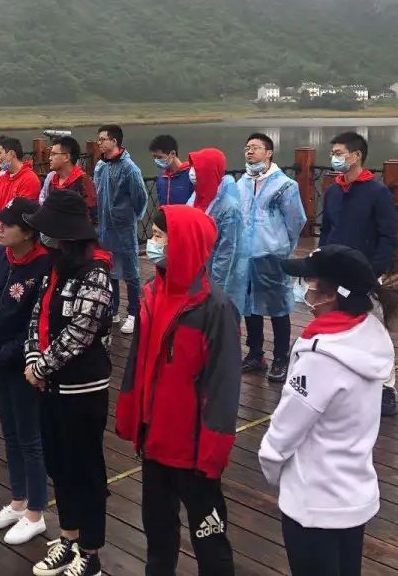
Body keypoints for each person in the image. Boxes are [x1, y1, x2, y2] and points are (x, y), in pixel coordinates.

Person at [116, 207, 241, 576]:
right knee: (158, 534)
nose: (153, 242)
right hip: (154, 439)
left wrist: (213, 451)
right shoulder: (152, 293)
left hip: (193, 448)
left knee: (210, 542)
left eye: (160, 236)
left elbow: (223, 386)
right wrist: (132, 417)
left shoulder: (215, 307)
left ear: (185, 244)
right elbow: (137, 362)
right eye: (154, 234)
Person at [260, 246, 398, 576]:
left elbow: (285, 430)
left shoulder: (321, 358)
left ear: (330, 295)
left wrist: (272, 466)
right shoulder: (369, 338)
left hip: (313, 504)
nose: (304, 291)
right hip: (352, 497)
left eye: (308, 283)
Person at [24, 189, 114, 576]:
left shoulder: (96, 272)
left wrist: (42, 367)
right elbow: (38, 316)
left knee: (85, 470)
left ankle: (90, 552)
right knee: (59, 465)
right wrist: (33, 358)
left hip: (82, 389)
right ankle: (69, 537)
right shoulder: (56, 267)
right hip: (51, 387)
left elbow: (82, 330)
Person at [0, 198, 51, 546]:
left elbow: (37, 322)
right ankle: (18, 500)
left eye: (8, 224)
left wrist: (1, 355)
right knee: (10, 431)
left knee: (30, 436)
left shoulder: (44, 266)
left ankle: (36, 510)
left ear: (29, 231)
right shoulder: (0, 256)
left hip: (23, 365)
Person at [320, 131, 398, 416]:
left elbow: (388, 237)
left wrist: (372, 272)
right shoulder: (333, 191)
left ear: (356, 156)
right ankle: (342, 381)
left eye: (339, 153)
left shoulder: (377, 192)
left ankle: (386, 387)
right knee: (337, 327)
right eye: (333, 153)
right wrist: (322, 260)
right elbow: (327, 230)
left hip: (366, 273)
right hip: (336, 271)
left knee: (375, 329)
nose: (334, 158)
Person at [236, 133, 307, 383]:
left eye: (256, 147)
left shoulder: (285, 185)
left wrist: (281, 246)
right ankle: (255, 353)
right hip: (246, 256)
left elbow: (296, 220)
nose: (250, 151)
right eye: (247, 147)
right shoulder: (242, 183)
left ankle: (281, 357)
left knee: (277, 307)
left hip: (272, 255)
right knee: (249, 306)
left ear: (269, 153)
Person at [93, 124, 149, 335]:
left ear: (114, 141)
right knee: (110, 269)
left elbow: (140, 197)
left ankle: (134, 312)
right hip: (104, 227)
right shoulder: (101, 166)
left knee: (131, 271)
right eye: (98, 139)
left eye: (102, 139)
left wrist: (129, 217)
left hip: (123, 228)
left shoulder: (129, 168)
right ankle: (114, 308)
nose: (99, 143)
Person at [189, 148, 244, 310]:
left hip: (212, 276)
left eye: (197, 168)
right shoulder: (196, 196)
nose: (192, 172)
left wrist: (215, 289)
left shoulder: (229, 208)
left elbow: (226, 253)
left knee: (215, 315)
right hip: (195, 272)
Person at [0, 137, 42, 243]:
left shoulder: (29, 179)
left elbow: (20, 215)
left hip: (17, 240)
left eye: (0, 153)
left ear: (11, 154)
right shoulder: (1, 179)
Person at [39, 136, 97, 223]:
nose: (50, 158)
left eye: (54, 154)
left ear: (66, 157)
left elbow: (89, 216)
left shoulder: (83, 181)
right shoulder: (52, 180)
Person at [149, 134, 194, 206]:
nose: (156, 160)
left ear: (172, 153)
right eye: (154, 157)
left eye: (160, 157)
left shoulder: (191, 175)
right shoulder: (161, 178)